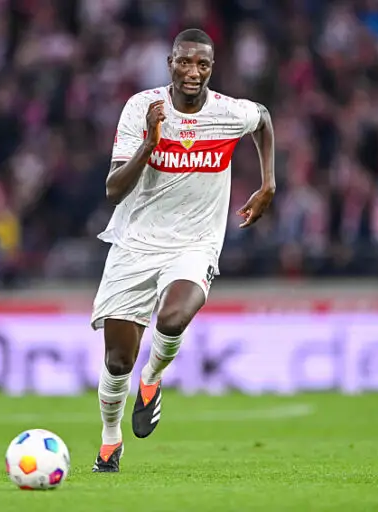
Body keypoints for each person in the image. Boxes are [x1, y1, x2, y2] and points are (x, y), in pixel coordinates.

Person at [91, 28, 275, 472]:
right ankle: (110, 438)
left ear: (212, 68)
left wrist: (268, 183)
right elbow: (113, 191)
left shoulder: (228, 112)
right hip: (135, 243)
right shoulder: (141, 108)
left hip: (195, 242)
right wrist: (150, 143)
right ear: (170, 63)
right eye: (185, 62)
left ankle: (152, 378)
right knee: (117, 360)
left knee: (173, 318)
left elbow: (264, 119)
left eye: (203, 64)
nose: (193, 72)